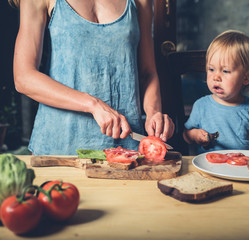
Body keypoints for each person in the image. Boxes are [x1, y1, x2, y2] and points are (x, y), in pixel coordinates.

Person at [9, 0, 174, 155]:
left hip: (125, 149)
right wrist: (93, 104)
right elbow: (24, 78)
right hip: (58, 146)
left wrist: (153, 112)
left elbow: (147, 73)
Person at [183, 30, 249, 155]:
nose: (216, 77)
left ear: (246, 78)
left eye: (225, 71)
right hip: (211, 167)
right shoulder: (201, 105)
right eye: (211, 69)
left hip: (244, 168)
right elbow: (186, 134)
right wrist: (195, 135)